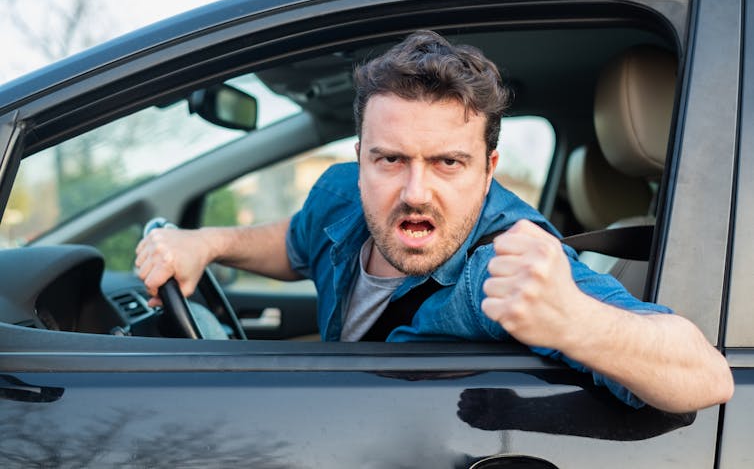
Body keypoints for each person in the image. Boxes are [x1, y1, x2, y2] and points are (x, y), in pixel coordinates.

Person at [135, 30, 733, 413]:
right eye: (390, 159)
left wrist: (573, 320)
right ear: (361, 159)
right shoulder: (341, 195)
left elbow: (707, 377)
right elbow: (293, 244)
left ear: (489, 168)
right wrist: (205, 243)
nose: (415, 192)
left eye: (448, 162)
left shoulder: (506, 264)